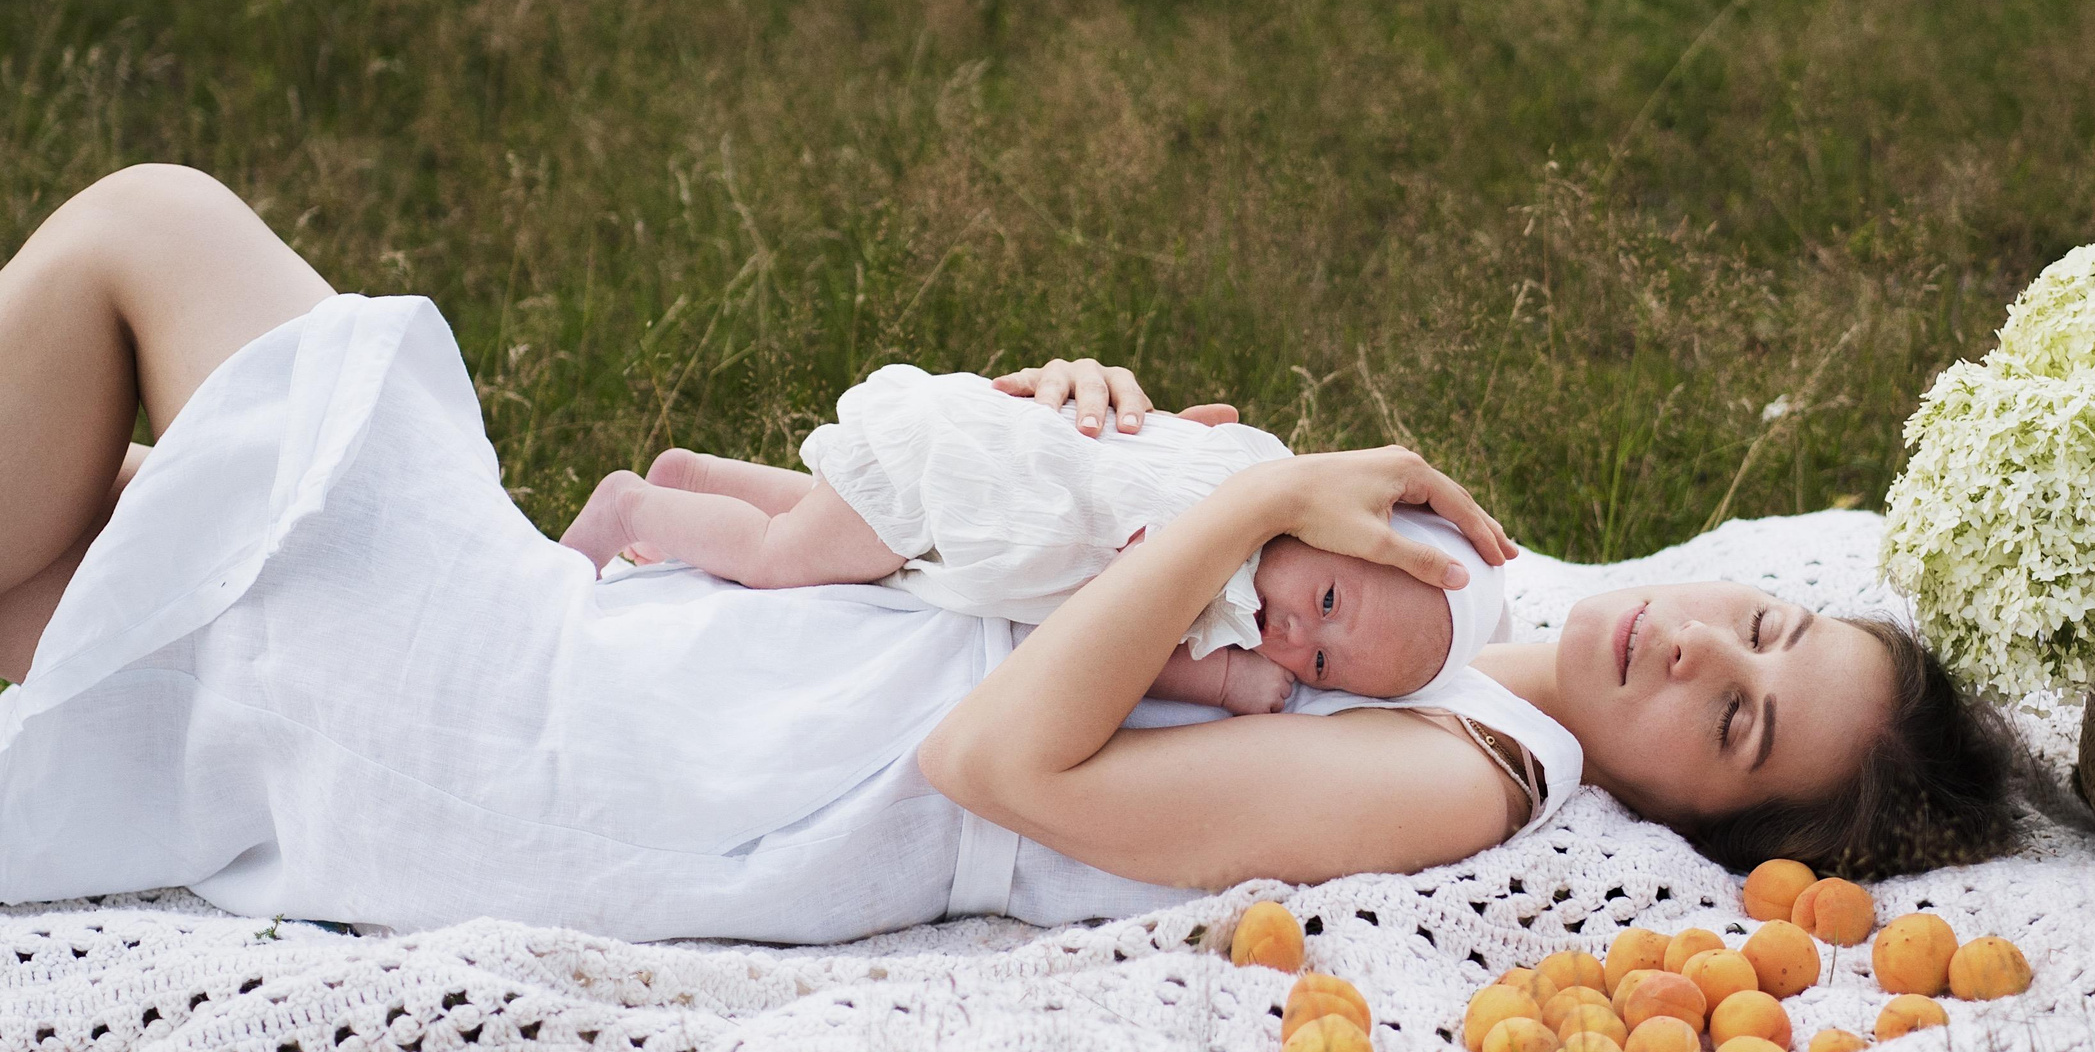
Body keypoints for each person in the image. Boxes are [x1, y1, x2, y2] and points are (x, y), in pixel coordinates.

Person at [0, 166, 2018, 945]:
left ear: (1693, 811)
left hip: (627, 759)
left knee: (147, 241)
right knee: (77, 583)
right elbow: (1060, 573)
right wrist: (1073, 434)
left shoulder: (1458, 770)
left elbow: (1004, 764)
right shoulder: (1474, 596)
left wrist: (1240, 500)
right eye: (1752, 622)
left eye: (1736, 723)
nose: (1694, 655)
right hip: (662, 666)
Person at [554, 364, 1514, 714]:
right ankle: (639, 510)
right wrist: (1221, 680)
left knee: (833, 523)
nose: (1293, 633)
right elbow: (1126, 634)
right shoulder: (1218, 568)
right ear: (1336, 521)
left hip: (956, 474)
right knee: (780, 563)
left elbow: (1190, 428)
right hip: (959, 482)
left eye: (1320, 663)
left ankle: (700, 477)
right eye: (1331, 602)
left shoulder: (1255, 461)